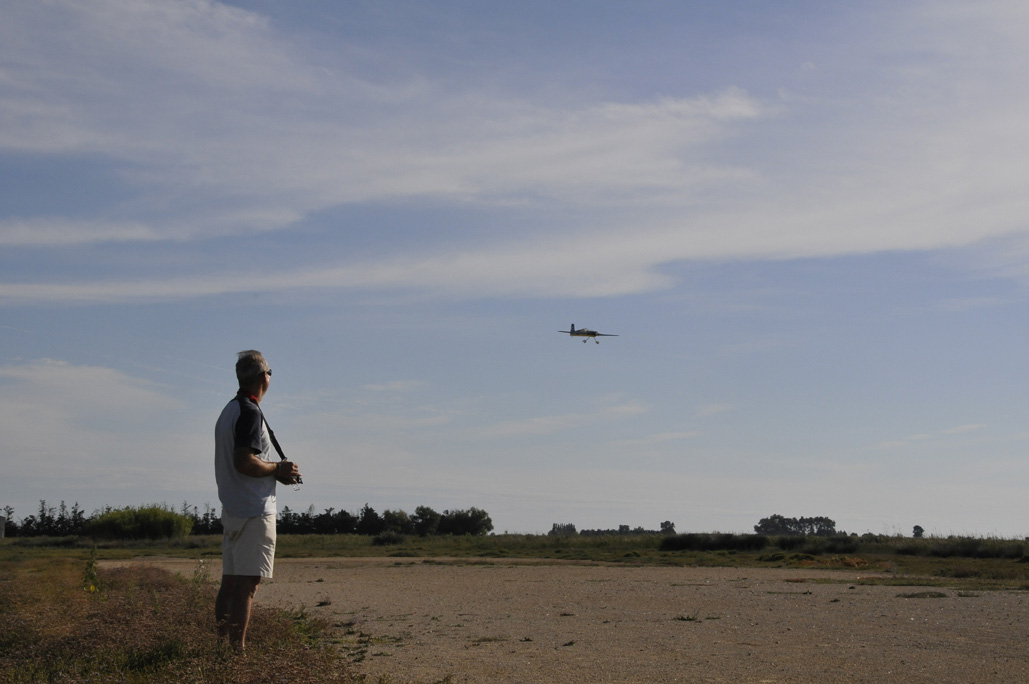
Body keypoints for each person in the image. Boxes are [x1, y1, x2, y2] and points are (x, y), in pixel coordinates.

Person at [214, 350, 301, 650]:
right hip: (254, 510)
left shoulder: (229, 410)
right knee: (247, 587)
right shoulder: (250, 412)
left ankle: (222, 646)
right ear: (264, 377)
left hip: (233, 508)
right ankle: (236, 654)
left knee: (231, 583)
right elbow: (244, 461)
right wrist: (278, 469)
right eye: (270, 373)